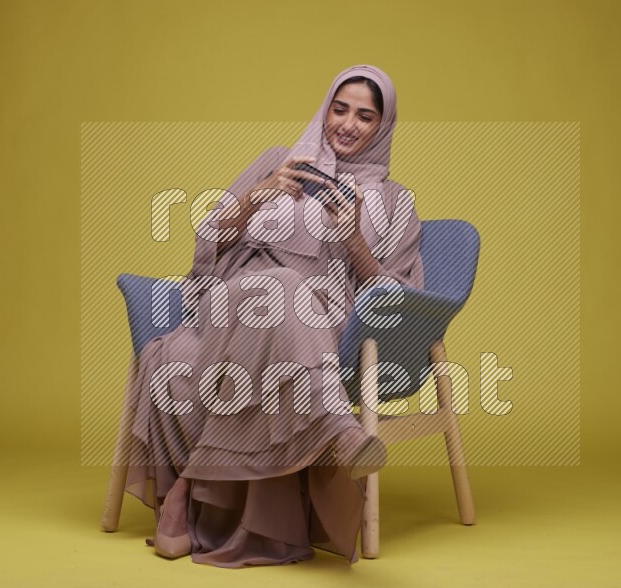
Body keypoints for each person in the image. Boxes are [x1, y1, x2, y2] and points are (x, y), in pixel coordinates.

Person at [122, 64, 425, 567]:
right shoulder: (279, 161)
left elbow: (393, 296)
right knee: (274, 285)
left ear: (383, 126)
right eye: (339, 108)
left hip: (321, 320)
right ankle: (335, 429)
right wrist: (255, 197)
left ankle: (185, 494)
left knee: (285, 293)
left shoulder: (395, 202)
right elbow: (209, 243)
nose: (347, 124)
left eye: (365, 116)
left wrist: (352, 236)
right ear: (325, 108)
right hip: (233, 302)